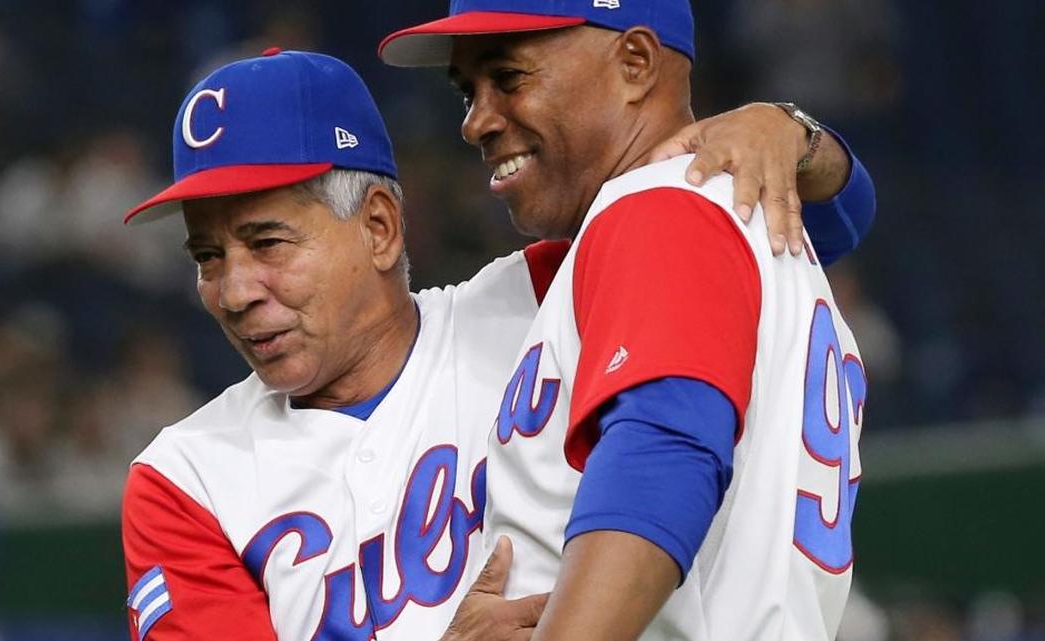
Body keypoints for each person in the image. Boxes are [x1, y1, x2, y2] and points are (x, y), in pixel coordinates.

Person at [120, 48, 872, 641]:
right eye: (207, 257)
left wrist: (791, 134)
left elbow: (785, 225)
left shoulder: (544, 296)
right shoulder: (185, 478)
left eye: (266, 242)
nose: (234, 288)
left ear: (379, 226)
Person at [379, 2, 868, 640]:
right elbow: (852, 206)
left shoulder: (659, 211)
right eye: (468, 92)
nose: (476, 122)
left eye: (509, 77)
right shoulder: (741, 219)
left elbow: (665, 458)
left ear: (635, 64)